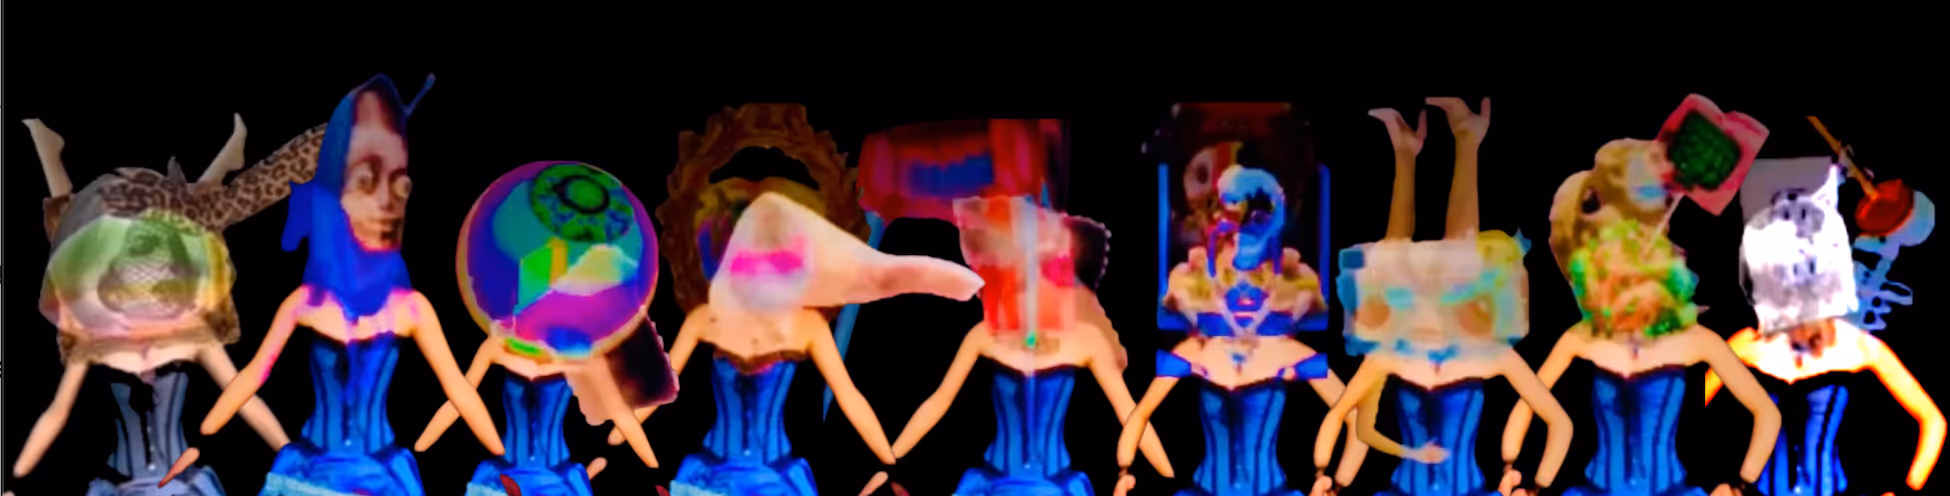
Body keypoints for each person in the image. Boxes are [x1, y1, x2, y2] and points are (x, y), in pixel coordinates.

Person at [195, 75, 505, 496]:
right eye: (366, 181)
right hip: (307, 473)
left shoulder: (411, 309)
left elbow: (457, 388)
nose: (387, 202)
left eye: (399, 183)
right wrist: (205, 434)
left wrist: (503, 454)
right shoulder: (305, 302)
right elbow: (253, 375)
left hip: (383, 477)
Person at [17, 113, 314, 495]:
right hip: (119, 487)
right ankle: (224, 159)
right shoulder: (96, 337)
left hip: (185, 486)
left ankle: (225, 159)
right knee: (74, 232)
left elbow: (244, 399)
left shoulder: (191, 333)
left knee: (193, 216)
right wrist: (16, 476)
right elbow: (56, 414)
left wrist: (291, 458)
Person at [1503, 94, 1780, 496]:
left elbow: (1766, 413)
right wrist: (1514, 469)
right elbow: (1529, 401)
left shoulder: (1697, 341)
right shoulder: (1582, 337)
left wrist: (1740, 485)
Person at [617, 193, 984, 496]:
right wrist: (615, 437)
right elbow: (661, 387)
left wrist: (888, 459)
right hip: (709, 475)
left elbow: (848, 395)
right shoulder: (706, 318)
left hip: (778, 479)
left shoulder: (807, 326)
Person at [1321, 97, 1573, 496]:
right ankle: (1425, 148)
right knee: (1410, 260)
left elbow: (1559, 422)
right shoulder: (1390, 354)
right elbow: (1348, 419)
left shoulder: (1490, 355)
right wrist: (1334, 482)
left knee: (1436, 258)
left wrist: (1531, 483)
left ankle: (1441, 144)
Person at [868, 196, 1170, 496]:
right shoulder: (985, 334)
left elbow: (1129, 412)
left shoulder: (1086, 339)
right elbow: (939, 401)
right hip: (991, 484)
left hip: (1057, 486)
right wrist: (889, 461)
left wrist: (1168, 477)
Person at [414, 161, 679, 496]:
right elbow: (459, 398)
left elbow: (620, 414)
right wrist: (422, 446)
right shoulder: (499, 345)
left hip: (559, 481)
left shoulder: (582, 354)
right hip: (502, 479)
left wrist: (655, 466)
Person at [1114, 162, 1365, 496]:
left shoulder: (1290, 351)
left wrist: (1333, 481)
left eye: (1252, 221)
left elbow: (1355, 416)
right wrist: (1127, 472)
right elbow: (1140, 413)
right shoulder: (1194, 350)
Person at [1705, 155, 1945, 496]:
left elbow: (1933, 421)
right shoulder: (1747, 343)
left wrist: (1905, 491)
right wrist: (1717, 485)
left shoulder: (1858, 345)